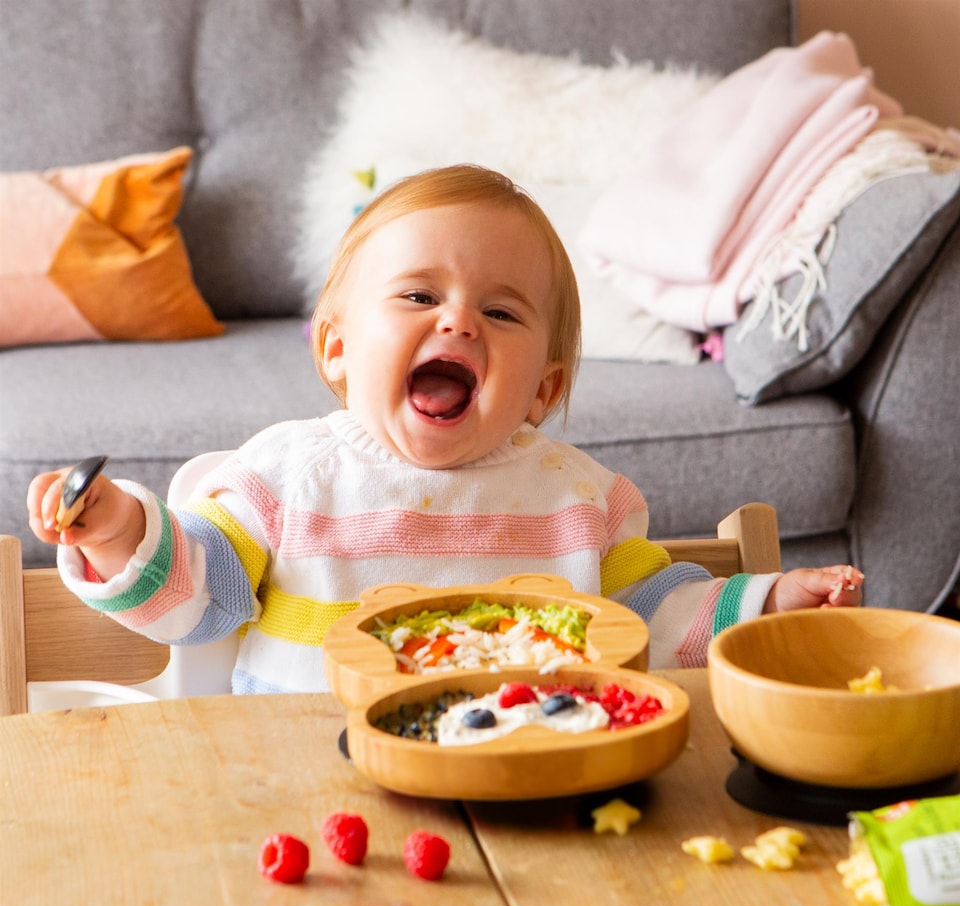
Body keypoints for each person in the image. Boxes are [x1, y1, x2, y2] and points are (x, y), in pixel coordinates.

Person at [27, 164, 863, 694]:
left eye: (500, 311)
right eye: (420, 297)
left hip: (523, 781)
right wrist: (120, 530)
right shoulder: (283, 481)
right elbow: (196, 603)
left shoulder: (578, 499)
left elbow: (655, 615)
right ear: (338, 346)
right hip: (302, 782)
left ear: (543, 389)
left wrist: (767, 602)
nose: (459, 323)